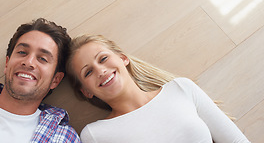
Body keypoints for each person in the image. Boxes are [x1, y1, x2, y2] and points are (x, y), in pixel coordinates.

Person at [66, 34, 250, 143]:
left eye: (103, 59)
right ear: (86, 91)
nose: (100, 70)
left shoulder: (181, 89)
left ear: (123, 59)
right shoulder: (95, 135)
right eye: (88, 72)